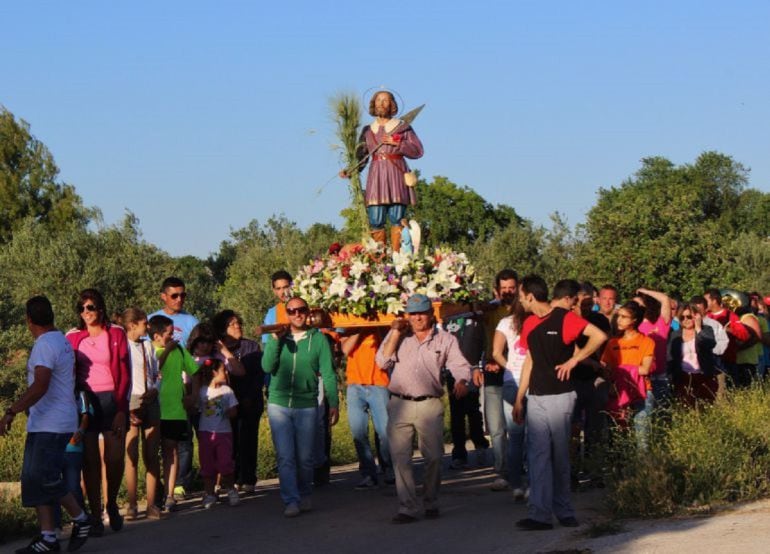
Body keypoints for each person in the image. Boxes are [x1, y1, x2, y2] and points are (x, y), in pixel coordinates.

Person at [513, 276, 607, 531]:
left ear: (530, 296)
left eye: (521, 295)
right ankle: (539, 515)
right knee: (537, 456)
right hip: (537, 397)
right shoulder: (530, 323)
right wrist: (520, 397)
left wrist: (575, 360)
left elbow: (598, 336)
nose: (520, 300)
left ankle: (564, 511)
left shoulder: (564, 318)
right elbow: (530, 360)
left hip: (561, 396)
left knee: (559, 455)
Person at [0, 296, 92, 553]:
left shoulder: (44, 345)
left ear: (29, 320)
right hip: (51, 421)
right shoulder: (61, 340)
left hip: (51, 425)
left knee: (45, 479)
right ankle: (48, 537)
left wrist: (11, 411)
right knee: (33, 478)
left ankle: (80, 518)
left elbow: (41, 384)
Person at [376, 293, 472, 523]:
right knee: (401, 458)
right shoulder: (398, 335)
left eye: (422, 313)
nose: (417, 318)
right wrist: (396, 333)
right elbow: (382, 361)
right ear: (407, 315)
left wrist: (461, 380)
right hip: (400, 403)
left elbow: (459, 363)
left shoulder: (445, 339)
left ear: (431, 314)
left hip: (429, 404)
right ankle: (407, 507)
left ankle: (430, 500)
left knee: (434, 457)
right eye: (413, 313)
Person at [262, 296, 339, 517]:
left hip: (307, 404)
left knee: (305, 458)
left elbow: (328, 372)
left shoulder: (319, 340)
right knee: (285, 456)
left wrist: (333, 402)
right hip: (279, 404)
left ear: (307, 312)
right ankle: (291, 499)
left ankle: (305, 493)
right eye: (292, 311)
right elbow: (267, 366)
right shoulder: (279, 337)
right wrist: (275, 341)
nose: (297, 314)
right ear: (287, 314)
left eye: (301, 310)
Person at [66, 288, 130, 535]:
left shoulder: (116, 333)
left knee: (113, 459)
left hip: (111, 399)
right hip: (85, 402)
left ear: (100, 308)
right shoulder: (72, 337)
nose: (86, 312)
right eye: (82, 308)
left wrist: (122, 409)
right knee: (89, 462)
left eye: (90, 307)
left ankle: (111, 503)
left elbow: (125, 373)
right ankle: (94, 515)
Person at [341, 90, 424, 250]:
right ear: (373, 104)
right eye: (378, 100)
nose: (381, 103)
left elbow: (418, 150)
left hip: (397, 173)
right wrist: (350, 170)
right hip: (376, 175)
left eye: (385, 100)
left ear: (392, 105)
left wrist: (397, 144)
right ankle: (379, 259)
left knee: (397, 217)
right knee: (376, 218)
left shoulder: (402, 127)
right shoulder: (367, 131)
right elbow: (361, 157)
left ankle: (398, 256)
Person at [149, 277, 200, 498]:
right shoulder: (152, 320)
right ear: (163, 296)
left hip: (183, 388)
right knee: (155, 445)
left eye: (183, 295)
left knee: (183, 441)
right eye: (174, 295)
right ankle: (156, 487)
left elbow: (196, 356)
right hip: (155, 396)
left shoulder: (191, 321)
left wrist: (194, 394)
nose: (179, 299)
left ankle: (180, 483)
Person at [211, 310, 264, 493]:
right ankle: (230, 478)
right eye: (232, 324)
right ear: (222, 329)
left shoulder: (251, 347)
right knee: (229, 441)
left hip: (250, 399)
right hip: (226, 402)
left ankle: (248, 478)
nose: (237, 326)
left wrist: (250, 397)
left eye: (238, 323)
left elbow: (257, 375)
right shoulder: (215, 349)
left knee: (248, 439)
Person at [122, 307, 162, 520]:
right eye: (144, 323)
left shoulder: (148, 346)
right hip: (131, 399)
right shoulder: (122, 346)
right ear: (132, 325)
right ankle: (131, 503)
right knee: (131, 453)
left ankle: (152, 503)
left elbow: (156, 373)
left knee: (151, 452)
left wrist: (155, 387)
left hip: (150, 397)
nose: (148, 327)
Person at [339, 328, 393, 489]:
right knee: (358, 432)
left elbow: (389, 345)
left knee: (384, 431)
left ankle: (389, 468)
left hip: (379, 382)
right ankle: (368, 473)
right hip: (355, 385)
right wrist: (359, 329)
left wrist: (374, 326)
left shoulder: (380, 325)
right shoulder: (347, 325)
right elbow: (345, 349)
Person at [482, 269, 519, 492]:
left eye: (511, 288)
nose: (507, 292)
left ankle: (520, 468)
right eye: (503, 289)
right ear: (497, 289)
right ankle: (502, 471)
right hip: (492, 374)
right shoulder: (489, 311)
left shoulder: (524, 313)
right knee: (496, 427)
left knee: (518, 426)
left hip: (516, 376)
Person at [491, 288, 528, 498]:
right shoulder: (536, 321)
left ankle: (516, 486)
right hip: (532, 381)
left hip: (511, 381)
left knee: (515, 436)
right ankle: (533, 483)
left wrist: (510, 367)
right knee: (534, 437)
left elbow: (496, 352)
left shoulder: (505, 323)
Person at [444, 314, 488, 470]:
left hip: (472, 368)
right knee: (457, 413)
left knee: (473, 410)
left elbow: (483, 342)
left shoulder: (476, 314)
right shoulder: (445, 316)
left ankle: (480, 445)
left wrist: (478, 366)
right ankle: (459, 454)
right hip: (451, 371)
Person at [600, 302, 655, 428]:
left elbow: (645, 369)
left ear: (634, 320)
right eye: (618, 316)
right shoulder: (613, 343)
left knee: (641, 435)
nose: (619, 320)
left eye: (624, 317)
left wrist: (618, 369)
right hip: (618, 392)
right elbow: (606, 368)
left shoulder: (647, 342)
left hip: (642, 392)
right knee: (618, 432)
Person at [197, 358, 240, 509]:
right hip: (206, 432)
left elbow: (234, 410)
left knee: (225, 463)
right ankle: (209, 494)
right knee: (207, 464)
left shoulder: (227, 391)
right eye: (223, 370)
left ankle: (231, 490)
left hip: (224, 432)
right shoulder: (202, 391)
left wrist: (230, 412)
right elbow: (195, 408)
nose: (226, 373)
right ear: (214, 373)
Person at [668, 303, 718, 407]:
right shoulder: (675, 334)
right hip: (683, 377)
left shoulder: (706, 330)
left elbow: (709, 344)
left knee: (705, 409)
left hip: (703, 376)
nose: (685, 320)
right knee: (684, 409)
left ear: (696, 316)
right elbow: (670, 356)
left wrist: (698, 328)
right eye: (682, 317)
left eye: (689, 317)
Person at [703, 288, 751, 388]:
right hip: (711, 361)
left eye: (706, 300)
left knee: (730, 392)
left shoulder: (731, 316)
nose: (703, 303)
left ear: (714, 301)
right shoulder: (706, 317)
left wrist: (730, 330)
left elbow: (745, 335)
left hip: (728, 361)